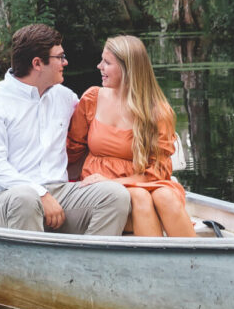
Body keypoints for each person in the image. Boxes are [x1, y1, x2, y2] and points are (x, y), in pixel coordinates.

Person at [0, 24, 131, 235]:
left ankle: (90, 265)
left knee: (115, 195)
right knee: (25, 199)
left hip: (61, 193)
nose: (65, 62)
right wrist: (40, 194)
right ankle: (29, 268)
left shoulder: (65, 98)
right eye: (60, 57)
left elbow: (101, 126)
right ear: (37, 63)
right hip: (9, 198)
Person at [66, 35, 195, 238]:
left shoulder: (158, 112)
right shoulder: (92, 99)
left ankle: (196, 263)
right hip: (102, 193)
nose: (99, 66)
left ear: (128, 69)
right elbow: (71, 150)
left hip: (141, 182)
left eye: (107, 62)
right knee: (139, 197)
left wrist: (117, 183)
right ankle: (157, 266)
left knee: (165, 196)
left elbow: (158, 171)